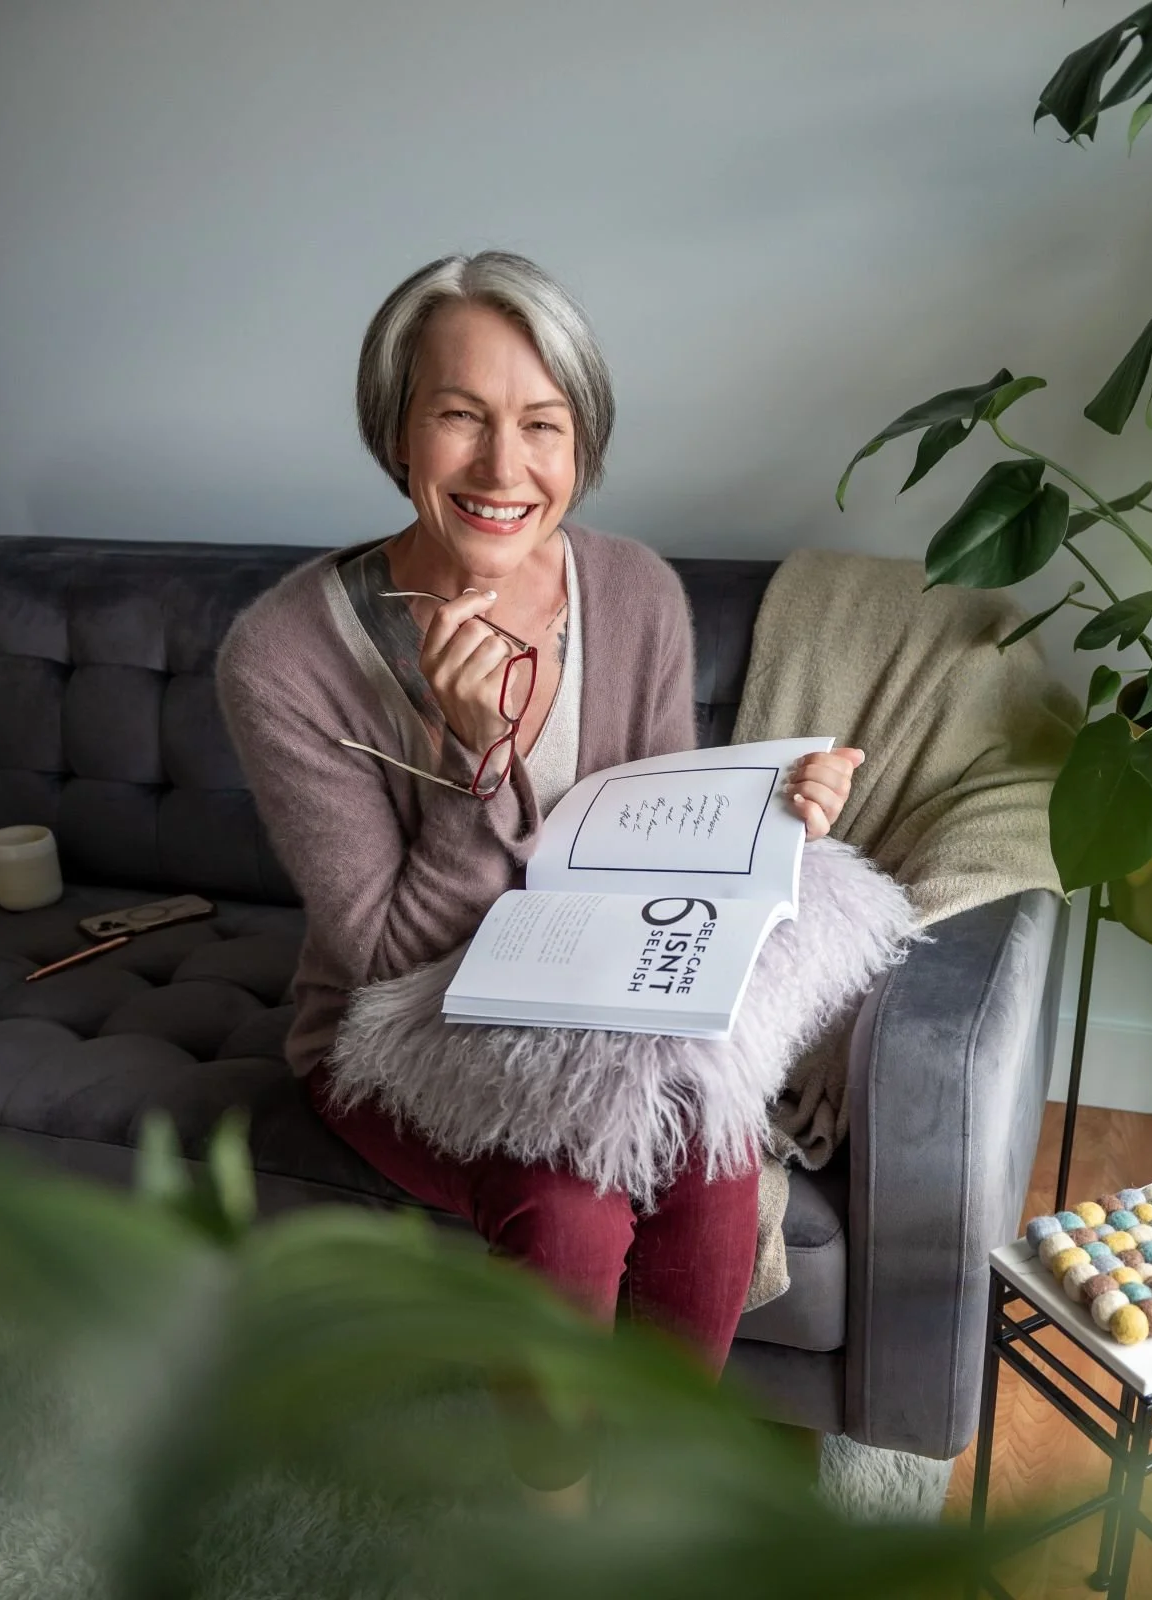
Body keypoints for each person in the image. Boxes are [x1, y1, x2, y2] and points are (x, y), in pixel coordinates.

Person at [216, 250, 862, 1507]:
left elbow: (657, 858)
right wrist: (476, 764)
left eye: (541, 425)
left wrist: (767, 816)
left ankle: (660, 1478)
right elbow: (383, 957)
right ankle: (555, 1517)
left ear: (584, 443)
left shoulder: (635, 593)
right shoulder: (284, 653)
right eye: (458, 415)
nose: (502, 470)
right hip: (399, 1028)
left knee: (716, 1156)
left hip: (605, 1003)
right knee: (566, 1206)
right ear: (394, 429)